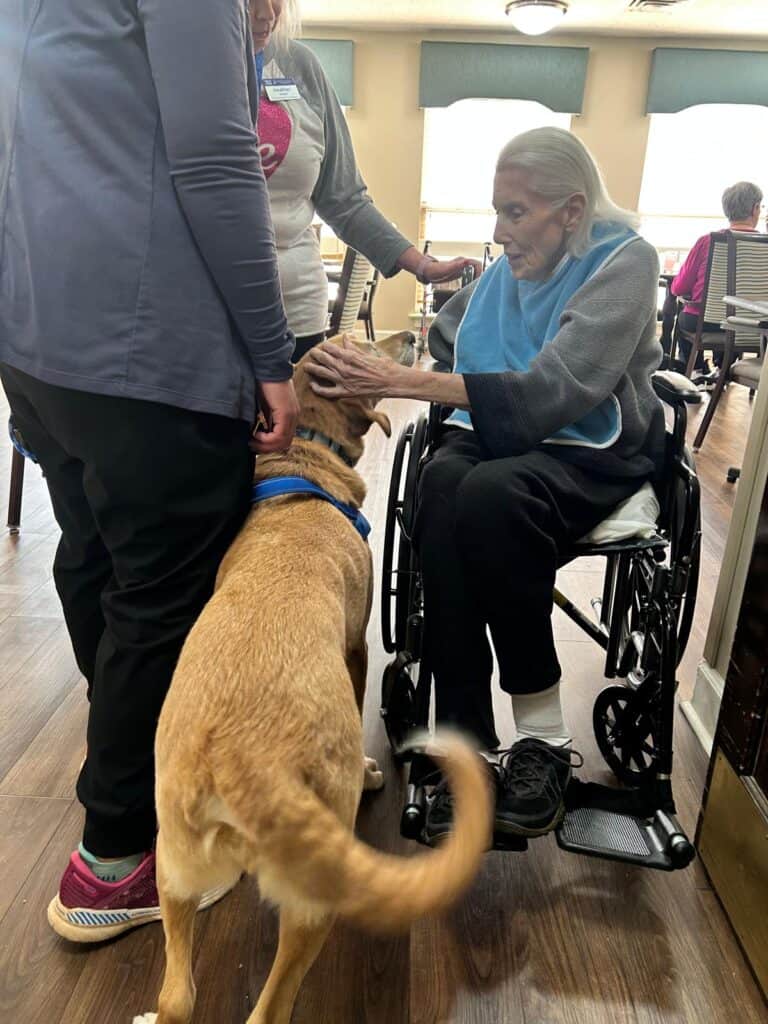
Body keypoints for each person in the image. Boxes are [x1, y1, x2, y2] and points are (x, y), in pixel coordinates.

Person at [0, 0, 298, 940]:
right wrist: (272, 356)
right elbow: (213, 161)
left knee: (95, 552)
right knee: (164, 590)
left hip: (38, 340)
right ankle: (119, 856)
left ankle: (134, 765)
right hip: (144, 341)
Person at [306, 127, 665, 843]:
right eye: (498, 211)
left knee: (491, 495)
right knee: (441, 482)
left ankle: (542, 739)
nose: (499, 232)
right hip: (504, 440)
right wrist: (390, 363)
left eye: (515, 212)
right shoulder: (513, 267)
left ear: (571, 210)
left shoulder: (626, 261)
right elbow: (449, 333)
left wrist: (404, 381)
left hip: (590, 444)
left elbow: (557, 390)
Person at [250, 0, 479, 360]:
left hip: (296, 314)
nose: (267, 13)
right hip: (201, 314)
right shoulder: (177, 68)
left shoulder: (301, 67)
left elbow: (344, 200)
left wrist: (423, 266)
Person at [669, 180, 763, 375]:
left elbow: (678, 288)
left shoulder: (707, 241)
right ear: (755, 209)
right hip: (751, 325)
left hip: (704, 321)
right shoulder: (764, 246)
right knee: (732, 322)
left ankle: (695, 370)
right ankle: (723, 369)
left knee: (684, 317)